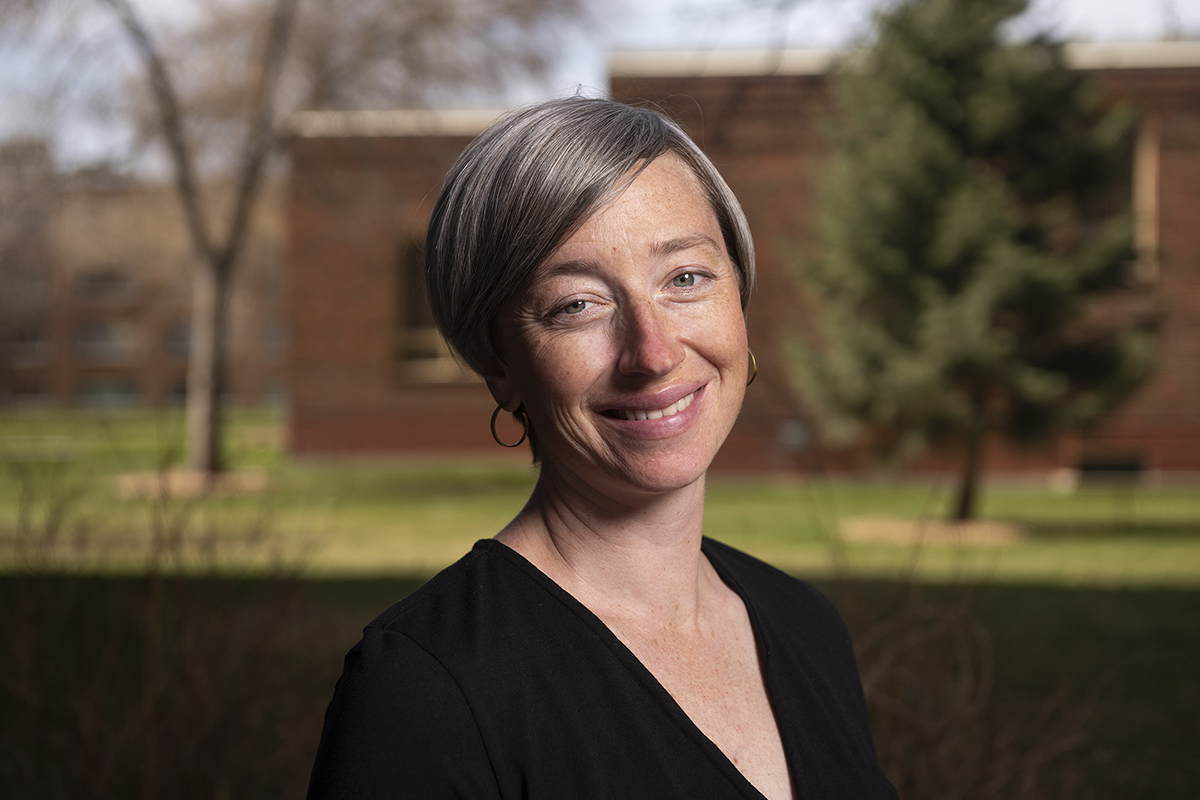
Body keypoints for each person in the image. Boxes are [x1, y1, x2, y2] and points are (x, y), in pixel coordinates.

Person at [306, 97, 897, 800]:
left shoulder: (805, 626)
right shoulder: (427, 687)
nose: (652, 352)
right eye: (578, 305)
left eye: (685, 278)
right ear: (498, 364)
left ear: (739, 299)